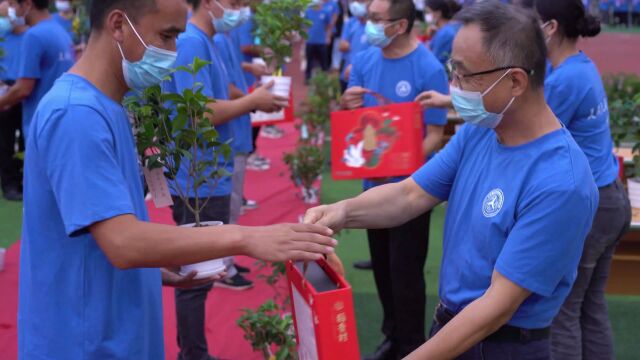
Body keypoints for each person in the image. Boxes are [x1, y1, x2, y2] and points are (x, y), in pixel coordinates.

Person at [19, 0, 337, 358]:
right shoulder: (76, 115)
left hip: (113, 329)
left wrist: (155, 269)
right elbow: (122, 242)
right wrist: (247, 238)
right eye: (166, 37)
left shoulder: (108, 105)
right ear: (119, 25)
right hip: (86, 342)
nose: (172, 54)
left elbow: (108, 232)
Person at [307, 2, 600, 359]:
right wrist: (341, 212)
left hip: (499, 345)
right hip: (450, 325)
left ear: (515, 81)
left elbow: (496, 307)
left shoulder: (560, 183)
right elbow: (410, 194)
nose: (453, 86)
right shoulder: (481, 130)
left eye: (463, 75)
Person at [165, 0, 291, 358]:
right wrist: (252, 101)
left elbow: (223, 92)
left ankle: (194, 351)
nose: (241, 10)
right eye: (235, 2)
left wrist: (252, 98)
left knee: (202, 271)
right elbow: (200, 112)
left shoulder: (208, 40)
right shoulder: (192, 42)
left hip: (209, 169)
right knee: (195, 275)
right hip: (197, 176)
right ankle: (193, 353)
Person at [340, 0, 448, 357]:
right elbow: (354, 123)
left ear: (400, 25)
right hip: (373, 188)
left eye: (375, 19)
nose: (367, 25)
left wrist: (405, 166)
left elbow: (435, 134)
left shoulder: (428, 67)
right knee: (383, 268)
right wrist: (347, 105)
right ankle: (392, 334)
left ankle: (412, 344)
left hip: (410, 192)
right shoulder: (366, 59)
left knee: (406, 274)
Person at [535, 0, 632, 358]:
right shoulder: (580, 67)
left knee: (562, 313)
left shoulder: (565, 79)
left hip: (592, 208)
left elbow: (530, 134)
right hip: (609, 200)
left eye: (534, 22)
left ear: (552, 27)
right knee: (591, 308)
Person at [0, 0, 73, 142]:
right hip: (58, 122)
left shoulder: (33, 36)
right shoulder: (60, 31)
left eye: (13, 4)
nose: (11, 10)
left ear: (27, 4)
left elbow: (23, 89)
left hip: (40, 124)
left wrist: (2, 102)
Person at [0, 0, 26, 201]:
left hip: (27, 89)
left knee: (26, 139)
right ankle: (9, 184)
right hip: (5, 89)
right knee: (6, 140)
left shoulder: (32, 35)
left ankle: (24, 180)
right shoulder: (2, 34)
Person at [338, 0, 370, 92]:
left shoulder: (374, 29)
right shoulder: (351, 23)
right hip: (346, 74)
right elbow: (342, 46)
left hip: (364, 77)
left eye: (361, 1)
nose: (356, 4)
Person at [425, 0, 461, 64]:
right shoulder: (456, 25)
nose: (427, 16)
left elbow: (435, 61)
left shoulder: (445, 33)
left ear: (438, 13)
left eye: (428, 12)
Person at [305, 0, 331, 81]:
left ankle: (324, 79)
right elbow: (305, 25)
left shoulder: (325, 12)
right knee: (309, 61)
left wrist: (328, 37)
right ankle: (308, 78)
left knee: (323, 62)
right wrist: (305, 37)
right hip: (310, 41)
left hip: (321, 41)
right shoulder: (308, 12)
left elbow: (328, 26)